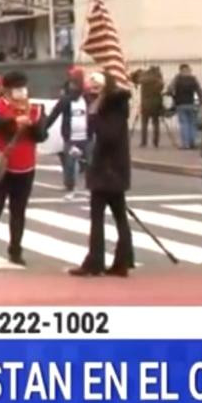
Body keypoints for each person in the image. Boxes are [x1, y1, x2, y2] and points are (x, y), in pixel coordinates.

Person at [0, 71, 48, 266]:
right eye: (17, 88)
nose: (21, 92)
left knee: (18, 211)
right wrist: (13, 122)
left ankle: (15, 250)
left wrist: (32, 124)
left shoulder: (36, 109)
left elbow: (42, 135)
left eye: (23, 87)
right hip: (1, 165)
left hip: (26, 166)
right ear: (7, 90)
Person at [70, 73, 135, 278]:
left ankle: (97, 261)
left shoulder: (111, 110)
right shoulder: (115, 107)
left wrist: (95, 117)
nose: (92, 94)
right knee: (119, 217)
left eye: (96, 89)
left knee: (101, 219)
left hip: (108, 171)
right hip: (113, 170)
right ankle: (122, 260)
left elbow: (107, 137)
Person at [48, 71, 90, 201]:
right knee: (71, 164)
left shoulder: (88, 99)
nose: (74, 87)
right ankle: (71, 189)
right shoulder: (66, 100)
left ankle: (90, 189)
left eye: (77, 84)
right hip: (71, 139)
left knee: (90, 164)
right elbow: (54, 115)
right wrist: (42, 129)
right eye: (72, 84)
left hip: (87, 138)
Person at [168, 64, 202, 149]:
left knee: (184, 124)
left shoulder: (177, 79)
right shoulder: (193, 79)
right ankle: (192, 142)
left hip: (180, 104)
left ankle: (185, 144)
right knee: (192, 124)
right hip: (191, 104)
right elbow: (199, 91)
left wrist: (173, 97)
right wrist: (201, 101)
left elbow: (170, 89)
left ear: (180, 70)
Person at [138, 66, 164, 148]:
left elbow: (138, 80)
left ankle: (143, 141)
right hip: (155, 104)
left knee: (144, 124)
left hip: (145, 103)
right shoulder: (158, 79)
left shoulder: (144, 79)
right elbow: (161, 89)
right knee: (156, 123)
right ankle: (155, 141)